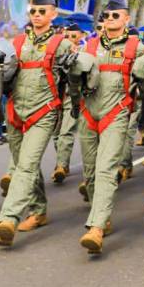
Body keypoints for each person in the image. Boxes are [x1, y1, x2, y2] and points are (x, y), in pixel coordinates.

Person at [69, 0, 144, 254]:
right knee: (90, 172)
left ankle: (97, 228)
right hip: (88, 113)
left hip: (117, 114)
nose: (110, 19)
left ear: (126, 18)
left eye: (116, 15)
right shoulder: (88, 47)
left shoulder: (138, 48)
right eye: (107, 15)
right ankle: (101, 214)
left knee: (105, 169)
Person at [0, 0, 73, 247]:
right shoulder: (16, 41)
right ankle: (39, 210)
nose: (37, 15)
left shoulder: (62, 44)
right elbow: (2, 73)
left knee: (25, 166)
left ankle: (9, 218)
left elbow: (75, 78)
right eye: (34, 11)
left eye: (42, 11)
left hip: (45, 109)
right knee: (24, 162)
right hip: (16, 109)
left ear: (53, 13)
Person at [52, 22, 84, 184]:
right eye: (67, 36)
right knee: (56, 134)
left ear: (80, 36)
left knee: (66, 131)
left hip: (73, 96)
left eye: (74, 36)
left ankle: (61, 165)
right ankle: (63, 162)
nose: (70, 39)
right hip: (57, 95)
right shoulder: (58, 50)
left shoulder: (85, 51)